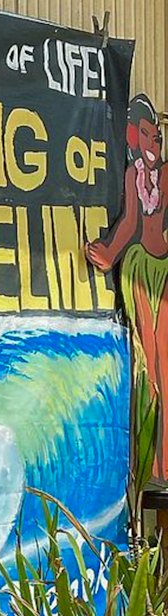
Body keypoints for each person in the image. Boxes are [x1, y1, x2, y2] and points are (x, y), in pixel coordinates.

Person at [87, 94, 168, 479]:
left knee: (164, 360)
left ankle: (164, 460)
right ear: (134, 136)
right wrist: (109, 252)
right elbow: (129, 223)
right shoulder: (131, 174)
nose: (153, 145)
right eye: (148, 136)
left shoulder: (165, 175)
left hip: (163, 266)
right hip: (135, 265)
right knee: (146, 361)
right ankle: (151, 465)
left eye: (158, 138)